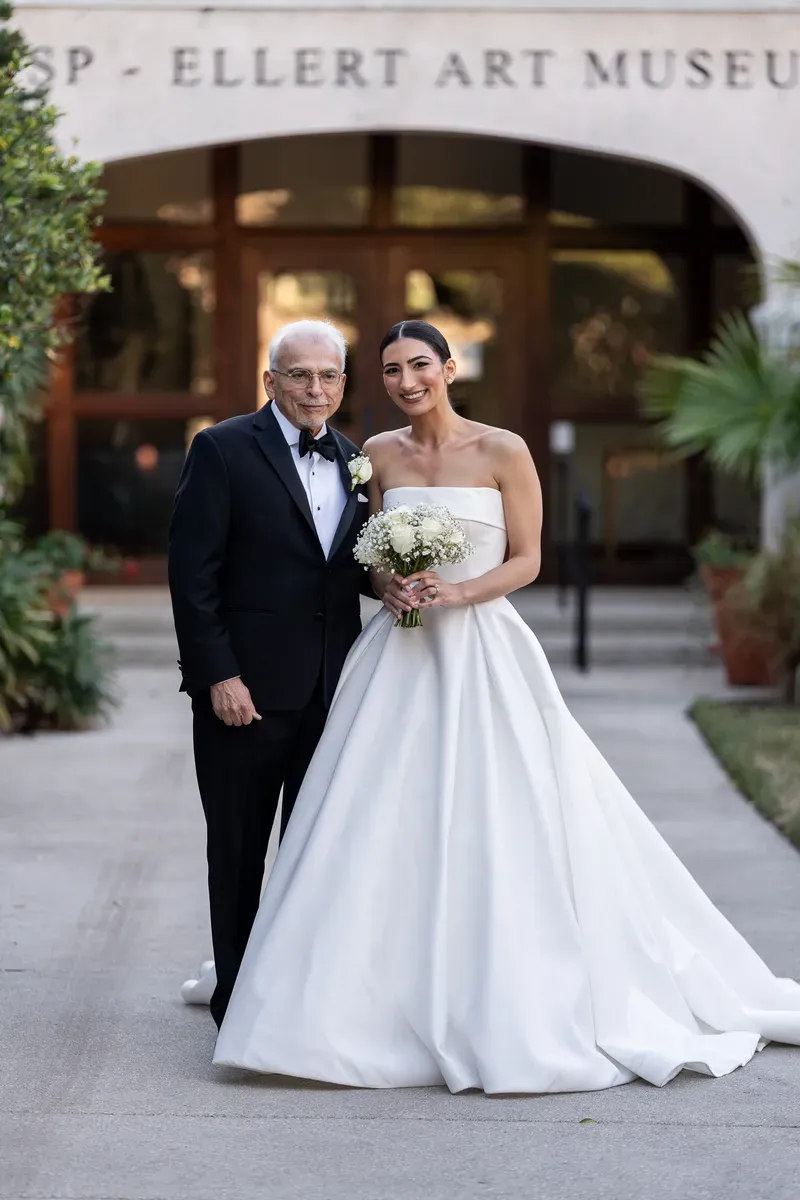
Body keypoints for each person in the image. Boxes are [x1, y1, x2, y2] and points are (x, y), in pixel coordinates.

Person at [211, 319, 800, 1093]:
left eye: (419, 364)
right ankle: (348, 994)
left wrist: (457, 590)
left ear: (450, 367)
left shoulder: (504, 450)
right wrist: (392, 585)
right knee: (371, 815)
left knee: (503, 809)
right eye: (390, 370)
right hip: (397, 654)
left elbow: (528, 558)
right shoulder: (373, 457)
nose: (406, 380)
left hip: (483, 649)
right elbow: (362, 552)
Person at [168, 319, 380, 1029]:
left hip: (331, 691)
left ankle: (295, 993)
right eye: (298, 375)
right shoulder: (223, 448)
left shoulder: (356, 460)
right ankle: (236, 1000)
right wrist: (217, 676)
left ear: (343, 385)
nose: (313, 389)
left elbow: (346, 571)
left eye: (326, 376)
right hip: (245, 695)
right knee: (237, 851)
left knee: (315, 851)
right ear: (271, 380)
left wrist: (402, 583)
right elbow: (192, 578)